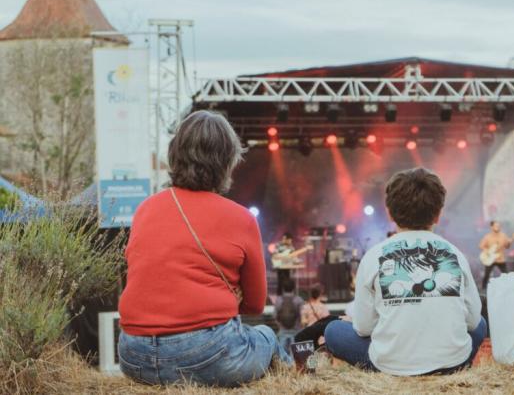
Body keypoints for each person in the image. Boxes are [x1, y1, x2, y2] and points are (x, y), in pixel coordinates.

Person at [118, 111, 291, 388]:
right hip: (206, 356)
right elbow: (256, 305)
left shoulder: (144, 209)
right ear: (227, 162)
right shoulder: (241, 218)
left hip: (134, 356)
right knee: (266, 337)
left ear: (175, 154)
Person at [324, 167, 487, 376]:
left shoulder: (373, 256)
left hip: (391, 366)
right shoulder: (455, 254)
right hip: (452, 364)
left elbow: (363, 328)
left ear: (390, 213)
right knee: (481, 323)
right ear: (438, 215)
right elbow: (473, 321)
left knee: (333, 331)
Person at [478, 220, 514, 289]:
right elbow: (481, 246)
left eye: (498, 226)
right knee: (487, 274)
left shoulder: (503, 236)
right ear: (491, 227)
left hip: (500, 258)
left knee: (506, 274)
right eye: (496, 226)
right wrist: (487, 251)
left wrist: (512, 240)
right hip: (490, 259)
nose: (498, 227)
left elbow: (507, 246)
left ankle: (509, 288)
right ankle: (483, 288)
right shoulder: (487, 237)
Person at [274, 278, 304, 353]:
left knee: (281, 352)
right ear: (294, 288)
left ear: (283, 289)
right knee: (296, 353)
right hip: (296, 330)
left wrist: (280, 325)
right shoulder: (299, 300)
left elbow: (274, 316)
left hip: (283, 330)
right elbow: (302, 317)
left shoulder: (279, 300)